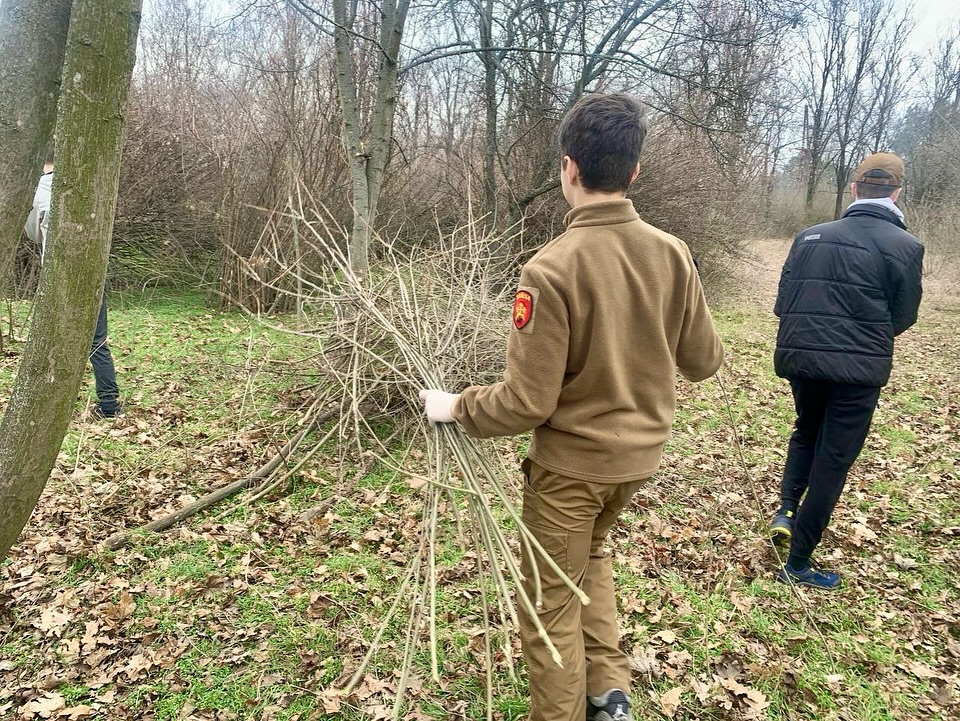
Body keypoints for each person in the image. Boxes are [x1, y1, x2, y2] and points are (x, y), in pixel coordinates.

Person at [419, 93, 724, 721]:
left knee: (549, 606)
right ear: (634, 171)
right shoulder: (672, 254)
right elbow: (704, 361)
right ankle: (609, 697)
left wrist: (456, 406)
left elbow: (526, 404)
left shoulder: (550, 269)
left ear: (568, 170)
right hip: (636, 464)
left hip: (570, 474)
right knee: (593, 559)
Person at [769, 152, 924, 590]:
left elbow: (783, 303)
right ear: (896, 193)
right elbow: (904, 314)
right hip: (858, 370)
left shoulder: (808, 236)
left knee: (806, 431)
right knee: (833, 459)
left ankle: (786, 510)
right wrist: (866, 337)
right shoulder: (906, 247)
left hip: (802, 361)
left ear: (854, 189)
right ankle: (798, 562)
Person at [24, 155, 123, 419]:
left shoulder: (38, 190)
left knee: (50, 337)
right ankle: (110, 405)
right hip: (93, 272)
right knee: (97, 341)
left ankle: (44, 402)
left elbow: (33, 233)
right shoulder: (90, 183)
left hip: (58, 277)